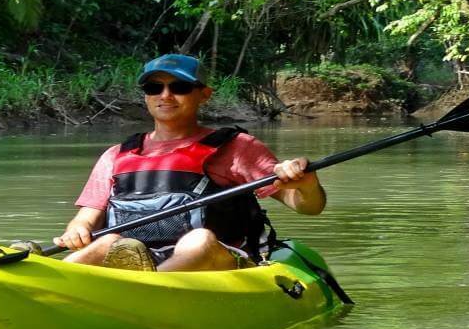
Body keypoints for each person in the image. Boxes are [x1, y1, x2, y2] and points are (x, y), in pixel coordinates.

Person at [54, 54, 325, 272]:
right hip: (134, 259)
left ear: (204, 94)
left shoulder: (237, 147)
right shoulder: (116, 155)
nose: (166, 95)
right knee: (110, 242)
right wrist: (77, 231)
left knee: (200, 240)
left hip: (217, 263)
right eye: (154, 87)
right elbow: (85, 219)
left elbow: (308, 207)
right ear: (146, 95)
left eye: (180, 87)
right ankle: (54, 279)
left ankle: (152, 288)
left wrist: (307, 184)